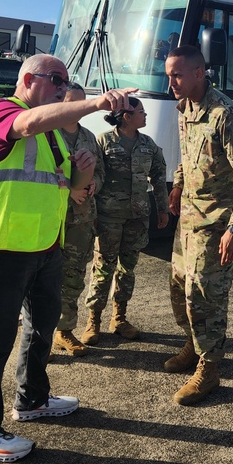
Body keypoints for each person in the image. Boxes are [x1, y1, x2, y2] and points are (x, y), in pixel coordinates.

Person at [0, 53, 134, 463]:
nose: (61, 85)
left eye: (65, 80)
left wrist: (85, 173)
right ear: (26, 79)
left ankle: (33, 399)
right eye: (54, 79)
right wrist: (95, 103)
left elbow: (72, 189)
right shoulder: (1, 111)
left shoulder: (53, 137)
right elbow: (25, 124)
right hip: (1, 246)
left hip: (43, 246)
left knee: (42, 327)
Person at [163, 45, 233, 405]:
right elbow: (187, 155)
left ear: (198, 72)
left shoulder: (226, 115)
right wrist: (177, 185)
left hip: (216, 224)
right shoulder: (184, 108)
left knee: (205, 297)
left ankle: (209, 369)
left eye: (176, 74)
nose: (170, 81)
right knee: (178, 287)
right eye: (168, 74)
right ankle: (193, 345)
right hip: (188, 220)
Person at [80, 96, 170, 345]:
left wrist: (163, 210)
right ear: (127, 117)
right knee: (103, 268)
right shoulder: (103, 141)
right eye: (141, 112)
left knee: (127, 269)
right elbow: (95, 177)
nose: (145, 116)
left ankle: (119, 318)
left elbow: (159, 178)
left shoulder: (148, 145)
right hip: (109, 217)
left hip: (137, 217)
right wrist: (93, 214)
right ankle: (93, 321)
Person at [53, 83, 105, 357]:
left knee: (73, 276)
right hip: (54, 218)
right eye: (73, 102)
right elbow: (42, 172)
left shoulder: (88, 137)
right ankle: (38, 336)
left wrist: (93, 183)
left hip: (83, 219)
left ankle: (64, 331)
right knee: (43, 278)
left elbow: (100, 172)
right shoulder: (48, 134)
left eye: (82, 103)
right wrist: (69, 189)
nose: (78, 109)